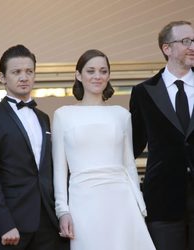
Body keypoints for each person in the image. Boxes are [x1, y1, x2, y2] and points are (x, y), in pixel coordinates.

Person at [52, 49, 156, 250]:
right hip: (83, 201)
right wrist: (62, 210)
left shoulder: (121, 115)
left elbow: (129, 165)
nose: (97, 76)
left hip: (122, 199)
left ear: (109, 75)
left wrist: (139, 205)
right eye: (90, 71)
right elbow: (59, 169)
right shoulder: (63, 115)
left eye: (103, 71)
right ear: (78, 75)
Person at [0, 44, 69, 250]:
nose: (24, 77)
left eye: (29, 71)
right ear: (3, 78)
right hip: (11, 225)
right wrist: (4, 224)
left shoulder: (43, 118)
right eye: (16, 72)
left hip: (47, 223)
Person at [130, 20, 194, 250]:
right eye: (186, 41)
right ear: (167, 48)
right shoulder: (143, 93)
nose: (192, 46)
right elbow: (132, 147)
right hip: (162, 202)